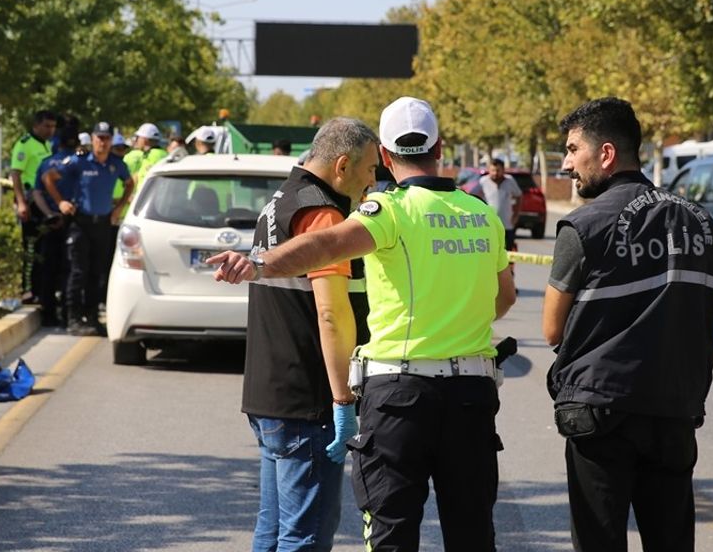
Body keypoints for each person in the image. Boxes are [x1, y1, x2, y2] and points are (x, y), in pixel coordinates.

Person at [211, 97, 516, 551]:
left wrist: (257, 263)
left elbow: (325, 246)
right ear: (441, 147)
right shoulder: (481, 215)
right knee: (471, 532)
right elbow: (504, 298)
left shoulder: (387, 212)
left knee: (391, 533)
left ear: (389, 157)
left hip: (400, 399)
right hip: (471, 396)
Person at [543, 97, 713, 552]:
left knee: (599, 540)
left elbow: (551, 330)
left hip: (600, 411)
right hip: (674, 408)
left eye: (572, 150)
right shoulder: (703, 225)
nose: (567, 164)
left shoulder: (583, 226)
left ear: (605, 154)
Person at [241, 118, 379, 551]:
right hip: (308, 400)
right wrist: (343, 401)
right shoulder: (321, 213)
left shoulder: (281, 200)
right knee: (307, 537)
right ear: (342, 165)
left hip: (270, 393)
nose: (373, 180)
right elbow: (331, 312)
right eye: (371, 168)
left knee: (274, 529)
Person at [43, 122, 134, 335]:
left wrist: (118, 208)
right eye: (99, 138)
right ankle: (74, 318)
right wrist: (61, 203)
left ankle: (92, 318)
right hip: (80, 223)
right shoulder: (79, 161)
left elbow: (130, 183)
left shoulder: (116, 164)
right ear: (92, 139)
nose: (102, 142)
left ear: (111, 141)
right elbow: (49, 178)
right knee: (78, 271)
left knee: (97, 273)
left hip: (102, 223)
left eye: (106, 138)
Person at [31, 131, 81, 327]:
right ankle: (69, 314)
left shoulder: (46, 163)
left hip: (51, 222)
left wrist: (49, 214)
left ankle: (49, 313)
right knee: (72, 269)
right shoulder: (79, 163)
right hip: (74, 221)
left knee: (49, 270)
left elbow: (37, 192)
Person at [10, 110, 57, 303]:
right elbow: (15, 173)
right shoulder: (25, 145)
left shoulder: (48, 145)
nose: (50, 130)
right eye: (47, 126)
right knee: (30, 248)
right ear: (36, 125)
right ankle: (27, 290)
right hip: (30, 202)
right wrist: (21, 202)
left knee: (43, 249)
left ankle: (41, 289)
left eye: (53, 126)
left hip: (45, 202)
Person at [477, 159, 522, 251]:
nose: (495, 173)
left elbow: (519, 196)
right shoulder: (483, 182)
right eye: (493, 170)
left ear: (503, 170)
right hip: (489, 226)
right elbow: (474, 197)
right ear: (489, 170)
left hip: (507, 225)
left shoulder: (510, 181)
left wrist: (516, 215)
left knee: (507, 254)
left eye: (498, 170)